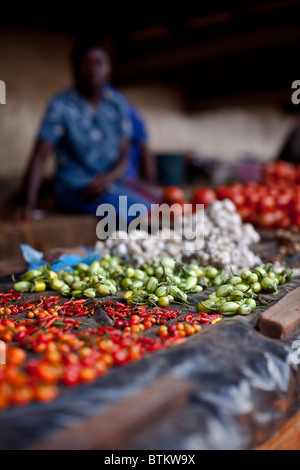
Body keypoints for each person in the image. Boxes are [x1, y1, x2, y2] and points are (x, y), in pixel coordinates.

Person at [11, 36, 157, 223]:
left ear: (109, 66)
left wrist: (108, 178)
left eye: (99, 63)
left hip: (113, 184)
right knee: (134, 214)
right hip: (76, 189)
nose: (93, 70)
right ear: (74, 67)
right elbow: (39, 156)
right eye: (86, 64)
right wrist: (28, 204)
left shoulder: (117, 103)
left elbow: (125, 156)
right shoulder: (61, 105)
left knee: (157, 205)